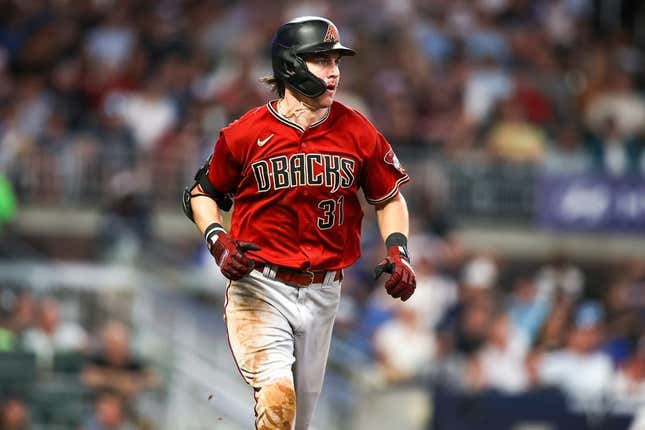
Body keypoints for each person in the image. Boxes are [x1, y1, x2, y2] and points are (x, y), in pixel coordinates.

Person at [182, 16, 416, 430]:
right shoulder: (245, 133)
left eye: (336, 62)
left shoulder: (357, 129)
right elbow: (201, 194)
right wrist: (218, 238)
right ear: (291, 65)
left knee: (295, 422)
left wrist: (398, 248)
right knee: (278, 399)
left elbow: (389, 197)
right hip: (261, 285)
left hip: (325, 292)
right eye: (321, 60)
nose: (334, 72)